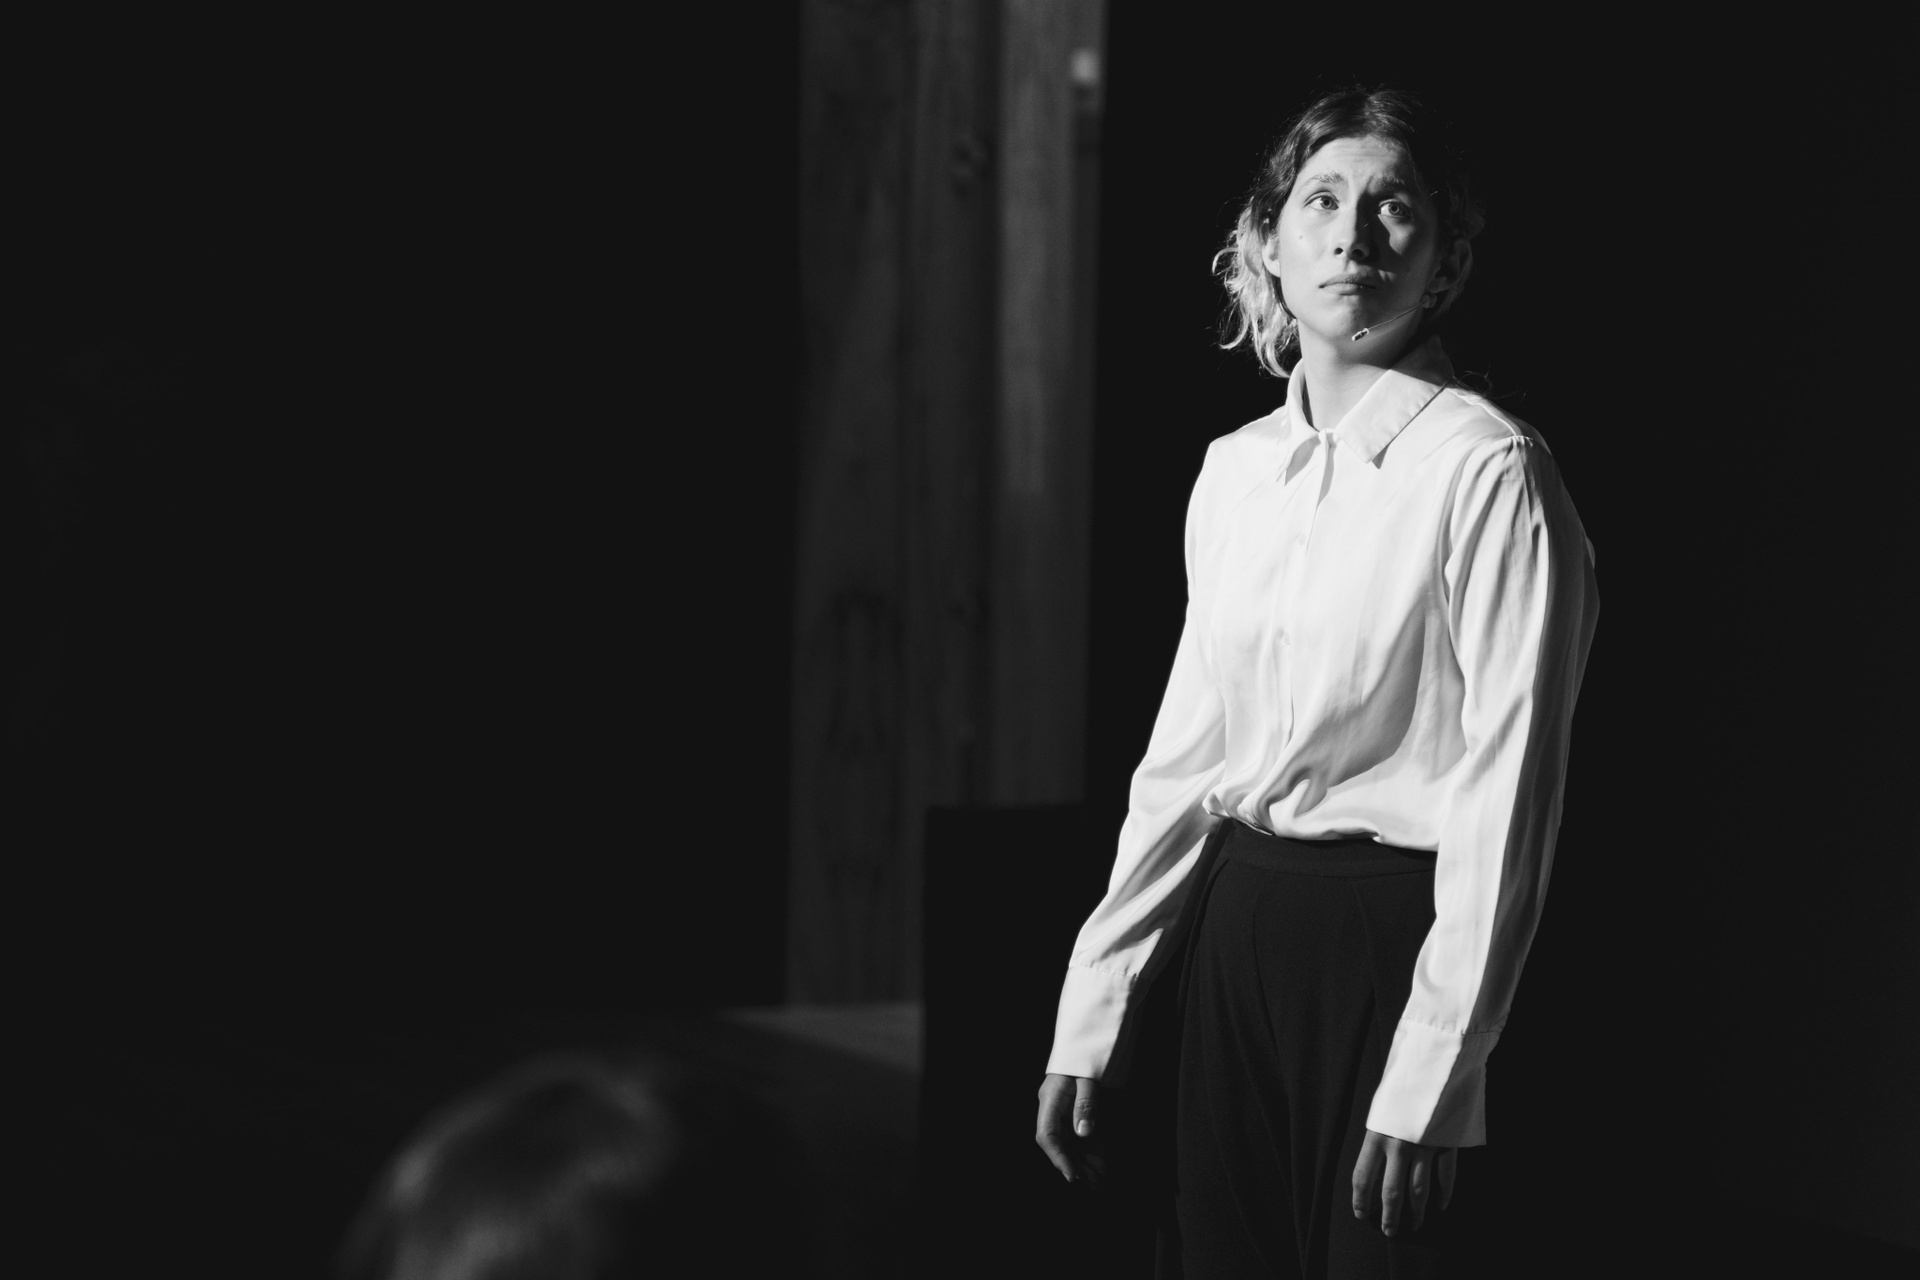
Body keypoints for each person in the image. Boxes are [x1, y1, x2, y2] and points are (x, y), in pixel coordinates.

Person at [1034, 85, 1600, 1279]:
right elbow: (1183, 767)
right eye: (1323, 200)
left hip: (1397, 944)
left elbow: (1509, 798)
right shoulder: (1234, 472)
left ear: (1446, 262)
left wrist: (1434, 1069)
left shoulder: (1488, 469)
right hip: (1236, 935)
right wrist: (1095, 1004)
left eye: (1394, 206)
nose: (1354, 234)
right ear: (1268, 244)